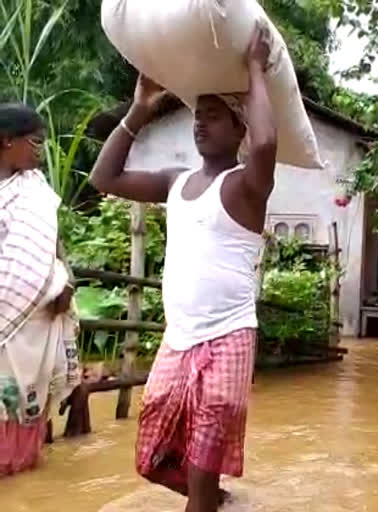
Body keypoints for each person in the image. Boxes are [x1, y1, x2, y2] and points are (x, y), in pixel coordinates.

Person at [89, 28, 277, 512]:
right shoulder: (175, 183)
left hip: (228, 338)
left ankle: (204, 499)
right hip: (178, 340)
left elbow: (266, 145)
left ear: (239, 130)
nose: (200, 124)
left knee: (201, 461)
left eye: (214, 117)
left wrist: (255, 67)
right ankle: (215, 501)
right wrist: (140, 107)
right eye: (198, 115)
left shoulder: (244, 187)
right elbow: (103, 178)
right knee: (151, 457)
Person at [0, 103, 80, 477]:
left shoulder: (34, 189)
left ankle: (23, 472)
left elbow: (51, 240)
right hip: (9, 316)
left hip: (35, 316)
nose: (40, 149)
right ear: (6, 141)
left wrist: (65, 279)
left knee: (27, 401)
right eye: (34, 141)